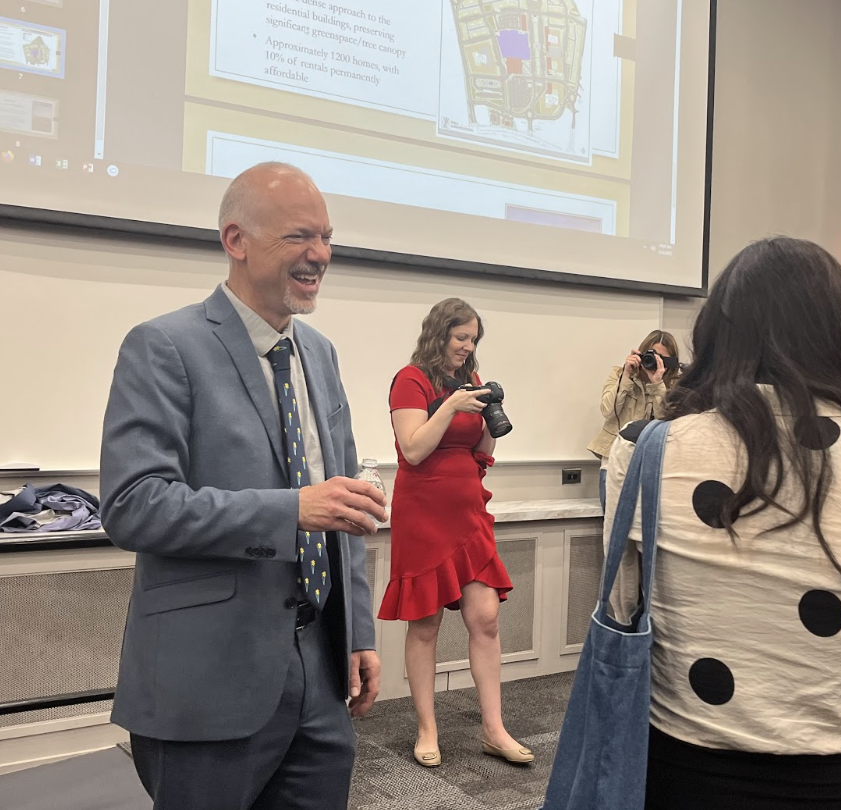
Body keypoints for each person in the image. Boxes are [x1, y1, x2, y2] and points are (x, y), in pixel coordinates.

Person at [604, 237, 841, 810]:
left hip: (667, 774)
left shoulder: (642, 453)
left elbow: (624, 615)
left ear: (717, 335)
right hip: (825, 784)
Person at [99, 162, 387, 810]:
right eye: (299, 237)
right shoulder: (163, 347)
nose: (321, 255)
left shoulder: (321, 354)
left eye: (326, 236)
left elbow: (343, 510)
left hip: (321, 672)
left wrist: (359, 633)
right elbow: (132, 504)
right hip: (206, 682)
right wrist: (290, 511)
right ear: (236, 240)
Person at [378, 298, 531, 767]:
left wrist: (490, 419)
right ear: (438, 334)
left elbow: (482, 453)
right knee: (424, 624)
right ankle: (427, 729)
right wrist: (450, 406)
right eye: (460, 337)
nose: (467, 347)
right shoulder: (411, 379)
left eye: (473, 339)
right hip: (422, 514)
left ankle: (494, 729)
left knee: (485, 617)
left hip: (468, 511)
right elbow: (414, 448)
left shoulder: (471, 383)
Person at [588, 330, 681, 509]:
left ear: (670, 362)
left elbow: (672, 422)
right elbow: (608, 410)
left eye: (662, 358)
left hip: (654, 466)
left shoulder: (675, 386)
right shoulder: (619, 374)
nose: (654, 362)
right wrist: (626, 377)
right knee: (614, 526)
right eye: (652, 355)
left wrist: (657, 385)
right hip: (615, 462)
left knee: (644, 529)